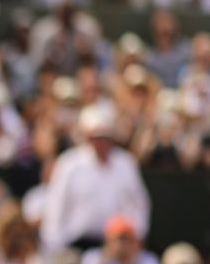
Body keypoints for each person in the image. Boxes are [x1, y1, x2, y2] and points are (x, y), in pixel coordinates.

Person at [41, 103, 150, 250]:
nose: (100, 142)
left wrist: (136, 237)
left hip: (117, 246)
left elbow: (139, 204)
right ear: (86, 137)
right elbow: (56, 207)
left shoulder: (126, 163)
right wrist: (55, 245)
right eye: (95, 137)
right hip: (77, 243)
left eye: (105, 137)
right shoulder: (69, 165)